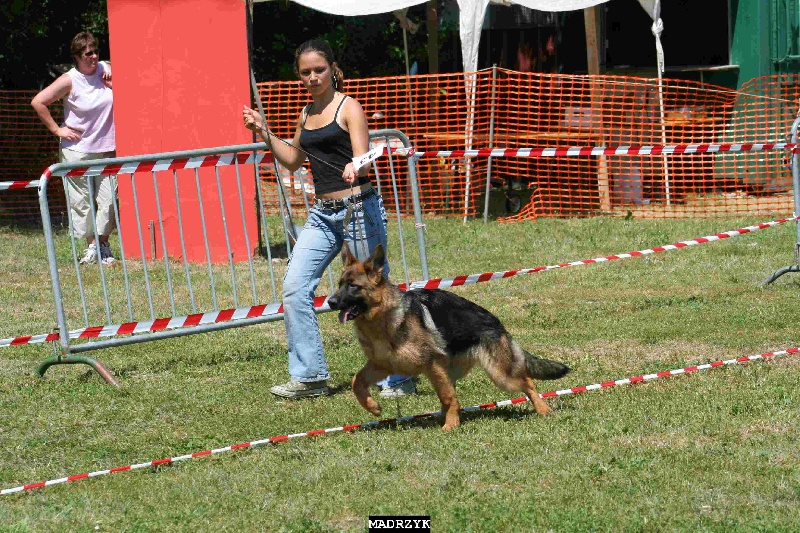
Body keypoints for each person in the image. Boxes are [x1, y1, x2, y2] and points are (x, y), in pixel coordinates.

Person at [242, 39, 415, 399]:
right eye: (305, 72)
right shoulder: (305, 115)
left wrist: (356, 164)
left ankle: (399, 375)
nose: (312, 77)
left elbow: (366, 155)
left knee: (376, 295)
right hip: (323, 215)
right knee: (294, 287)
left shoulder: (348, 107)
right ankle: (310, 377)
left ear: (332, 69)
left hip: (357, 208)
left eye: (318, 70)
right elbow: (291, 160)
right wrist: (263, 130)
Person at [31, 31, 117, 265]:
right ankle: (91, 246)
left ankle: (104, 244)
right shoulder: (69, 79)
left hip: (108, 147)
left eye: (96, 51)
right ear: (77, 57)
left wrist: (114, 83)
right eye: (88, 53)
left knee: (109, 199)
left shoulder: (106, 69)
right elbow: (38, 102)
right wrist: (57, 130)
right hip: (77, 149)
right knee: (82, 200)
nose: (94, 56)